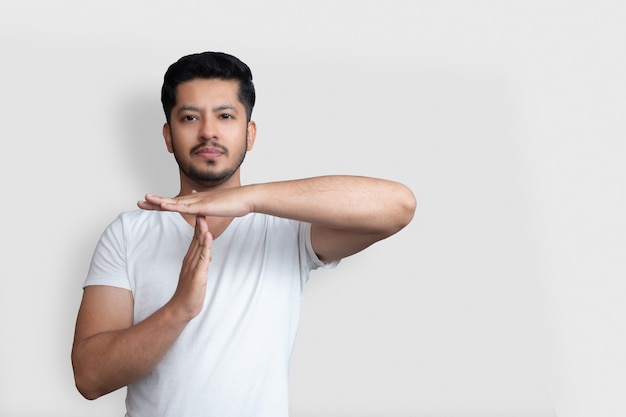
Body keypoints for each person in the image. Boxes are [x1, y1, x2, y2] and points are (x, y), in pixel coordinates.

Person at [71, 51, 416, 417]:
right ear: (168, 136)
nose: (208, 131)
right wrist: (179, 309)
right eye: (190, 117)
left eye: (225, 116)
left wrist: (247, 201)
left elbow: (399, 205)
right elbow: (90, 377)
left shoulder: (286, 227)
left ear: (249, 134)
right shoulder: (128, 232)